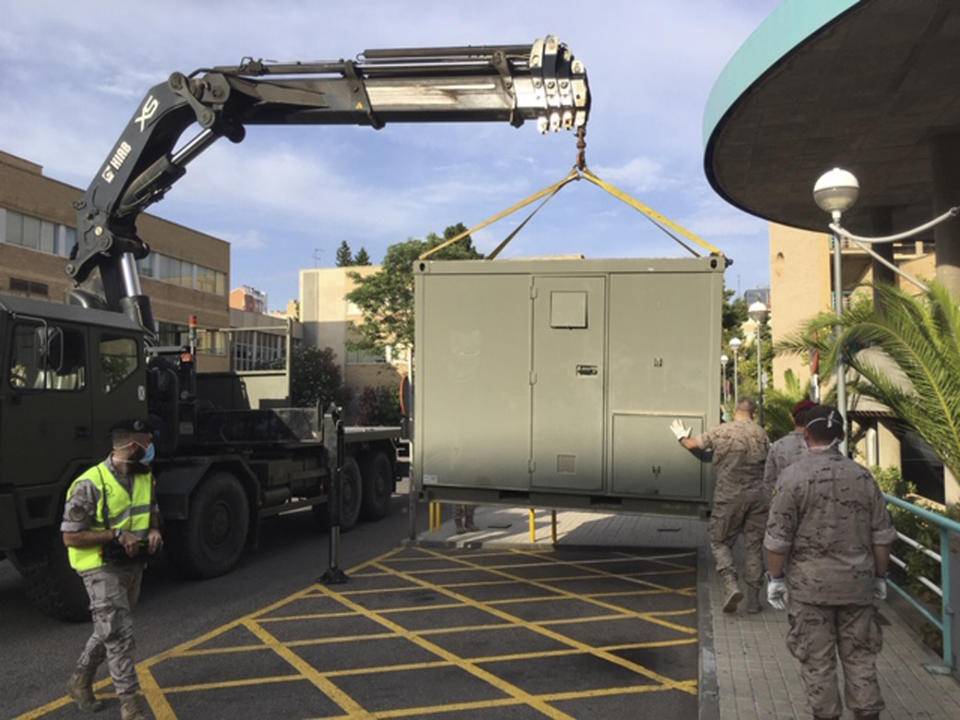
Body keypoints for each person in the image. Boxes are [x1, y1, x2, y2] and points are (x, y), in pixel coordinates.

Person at [764, 404, 896, 720]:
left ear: (805, 433)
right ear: (840, 436)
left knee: (817, 661)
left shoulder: (793, 477)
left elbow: (777, 539)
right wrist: (880, 576)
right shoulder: (863, 476)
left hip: (810, 589)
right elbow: (882, 535)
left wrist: (776, 579)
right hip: (858, 585)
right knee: (861, 658)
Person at [61, 418, 163, 720]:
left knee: (109, 629)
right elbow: (71, 536)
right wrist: (115, 534)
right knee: (119, 635)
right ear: (133, 446)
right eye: (148, 442)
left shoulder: (145, 476)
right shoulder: (89, 484)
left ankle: (79, 681)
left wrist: (155, 531)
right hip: (100, 567)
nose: (151, 448)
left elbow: (152, 510)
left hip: (132, 565)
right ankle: (130, 707)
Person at [671, 397, 770, 613]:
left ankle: (730, 584)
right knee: (754, 546)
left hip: (729, 495)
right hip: (758, 497)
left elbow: (692, 444)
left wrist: (680, 436)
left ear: (735, 411)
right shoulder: (762, 434)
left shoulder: (723, 431)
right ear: (752, 413)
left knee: (719, 541)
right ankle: (754, 601)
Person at [763, 398, 817, 494]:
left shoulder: (777, 446)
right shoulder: (822, 446)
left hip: (785, 502)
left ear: (793, 420)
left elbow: (768, 482)